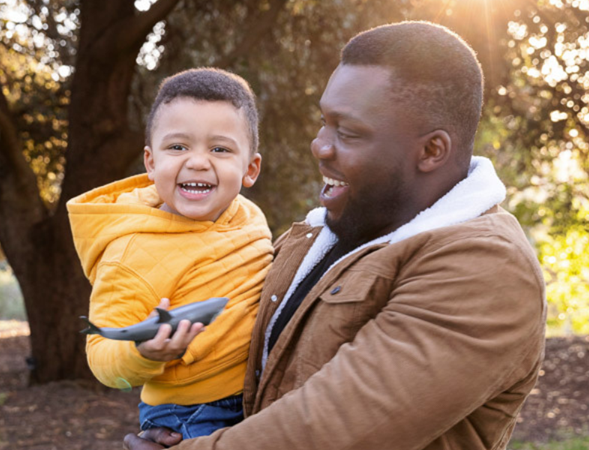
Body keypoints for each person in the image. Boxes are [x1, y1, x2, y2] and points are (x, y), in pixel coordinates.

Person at [124, 21, 547, 449]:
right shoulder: (321, 232)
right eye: (324, 122)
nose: (320, 146)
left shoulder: (487, 267)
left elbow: (330, 430)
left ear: (432, 151)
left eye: (348, 132)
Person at [67, 68, 273, 439]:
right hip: (189, 414)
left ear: (250, 168)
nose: (197, 161)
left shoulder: (247, 215)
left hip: (262, 396)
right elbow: (100, 354)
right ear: (150, 162)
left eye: (220, 149)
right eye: (178, 147)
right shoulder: (131, 252)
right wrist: (143, 355)